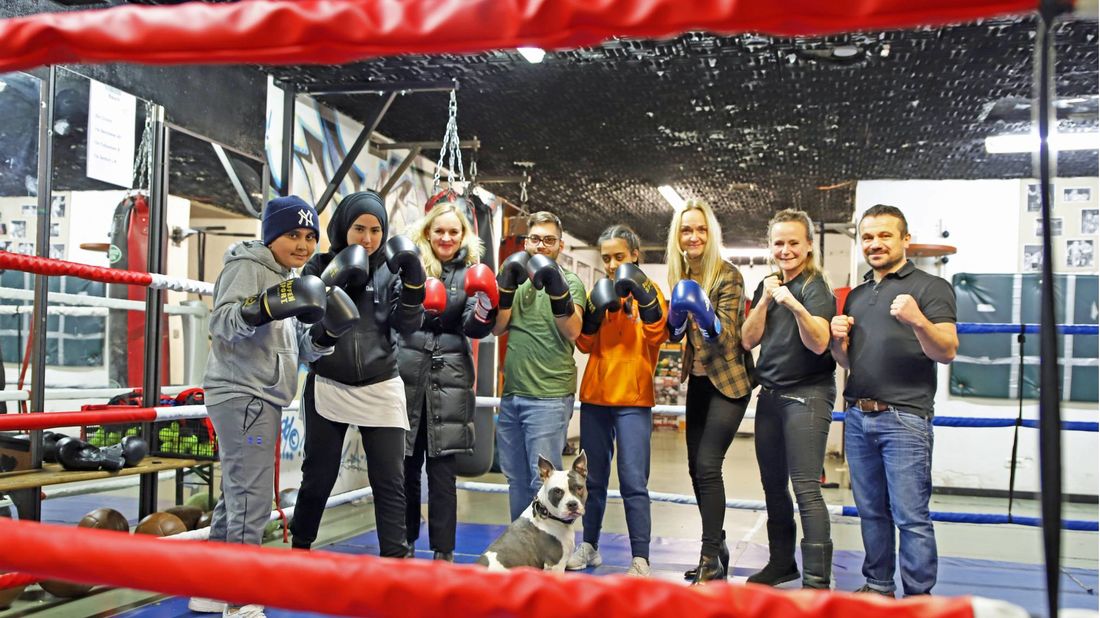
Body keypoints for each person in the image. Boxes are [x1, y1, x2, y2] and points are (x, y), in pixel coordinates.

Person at [194, 195, 347, 618]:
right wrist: (262, 305)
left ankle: (209, 587)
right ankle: (241, 600)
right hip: (243, 393)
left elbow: (301, 349)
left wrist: (327, 335)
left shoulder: (288, 277)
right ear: (271, 235)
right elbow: (222, 323)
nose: (302, 244)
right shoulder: (247, 266)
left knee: (238, 494)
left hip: (260, 394)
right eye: (293, 235)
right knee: (252, 498)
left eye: (310, 236)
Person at [289, 190, 426, 560]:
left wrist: (414, 285)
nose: (367, 238)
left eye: (376, 230)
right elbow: (304, 321)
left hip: (380, 384)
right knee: (318, 475)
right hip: (329, 383)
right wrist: (334, 280)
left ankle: (395, 561)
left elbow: (407, 326)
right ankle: (298, 549)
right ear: (343, 227)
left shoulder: (391, 269)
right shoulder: (317, 265)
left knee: (389, 480)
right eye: (359, 228)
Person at [830, 204, 958, 597]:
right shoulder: (858, 294)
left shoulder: (932, 288)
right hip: (857, 415)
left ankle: (919, 597)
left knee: (911, 516)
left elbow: (947, 350)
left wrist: (918, 320)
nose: (875, 243)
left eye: (885, 235)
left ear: (905, 239)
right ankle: (878, 585)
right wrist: (838, 341)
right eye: (867, 237)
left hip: (905, 417)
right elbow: (847, 362)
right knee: (871, 512)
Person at [398, 198, 498, 562]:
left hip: (450, 380)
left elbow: (473, 324)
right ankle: (404, 543)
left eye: (453, 231)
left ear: (463, 235)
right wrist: (414, 305)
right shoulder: (409, 267)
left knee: (442, 475)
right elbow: (397, 316)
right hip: (408, 378)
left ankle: (444, 551)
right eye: (439, 230)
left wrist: (487, 304)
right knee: (405, 469)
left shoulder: (470, 270)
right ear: (427, 231)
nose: (446, 237)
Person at [741, 209, 836, 589]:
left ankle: (816, 582)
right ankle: (781, 563)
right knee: (772, 485)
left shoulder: (816, 287)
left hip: (807, 395)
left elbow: (819, 343)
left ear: (808, 245)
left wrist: (793, 303)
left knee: (806, 488)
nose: (786, 250)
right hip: (771, 396)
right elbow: (748, 340)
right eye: (778, 243)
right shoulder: (767, 284)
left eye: (793, 242)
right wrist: (764, 300)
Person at [565, 224, 667, 577]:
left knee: (633, 480)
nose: (611, 264)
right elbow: (584, 344)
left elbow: (658, 335)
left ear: (635, 255)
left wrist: (643, 298)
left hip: (634, 401)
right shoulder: (600, 291)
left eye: (618, 257)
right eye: (606, 258)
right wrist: (594, 312)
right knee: (590, 479)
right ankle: (589, 546)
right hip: (596, 397)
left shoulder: (650, 292)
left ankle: (640, 558)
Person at [665, 199, 753, 585]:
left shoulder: (729, 276)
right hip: (700, 381)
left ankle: (709, 558)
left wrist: (706, 317)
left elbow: (729, 339)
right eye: (687, 230)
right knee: (693, 468)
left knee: (707, 466)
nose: (694, 236)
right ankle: (717, 548)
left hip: (730, 383)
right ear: (678, 237)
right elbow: (675, 335)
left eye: (700, 229)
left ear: (711, 234)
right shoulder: (681, 275)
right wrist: (677, 320)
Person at [492, 211, 587, 521]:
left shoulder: (571, 282)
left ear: (560, 245)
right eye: (535, 239)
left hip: (549, 396)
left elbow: (573, 330)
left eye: (549, 240)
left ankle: (545, 556)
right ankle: (521, 550)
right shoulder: (515, 275)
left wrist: (556, 288)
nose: (541, 246)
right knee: (515, 479)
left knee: (543, 483)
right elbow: (497, 328)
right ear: (526, 242)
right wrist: (505, 286)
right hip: (513, 393)